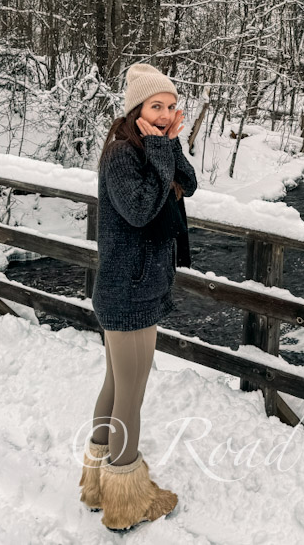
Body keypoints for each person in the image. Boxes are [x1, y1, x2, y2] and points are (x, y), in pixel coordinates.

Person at [78, 63, 198, 530]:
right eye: (156, 106)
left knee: (115, 387)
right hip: (127, 292)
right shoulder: (122, 156)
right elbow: (144, 208)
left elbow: (187, 183)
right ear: (136, 109)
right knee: (131, 393)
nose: (167, 114)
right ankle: (125, 503)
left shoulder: (151, 147)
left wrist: (169, 144)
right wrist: (157, 149)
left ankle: (96, 484)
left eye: (171, 106)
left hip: (138, 286)